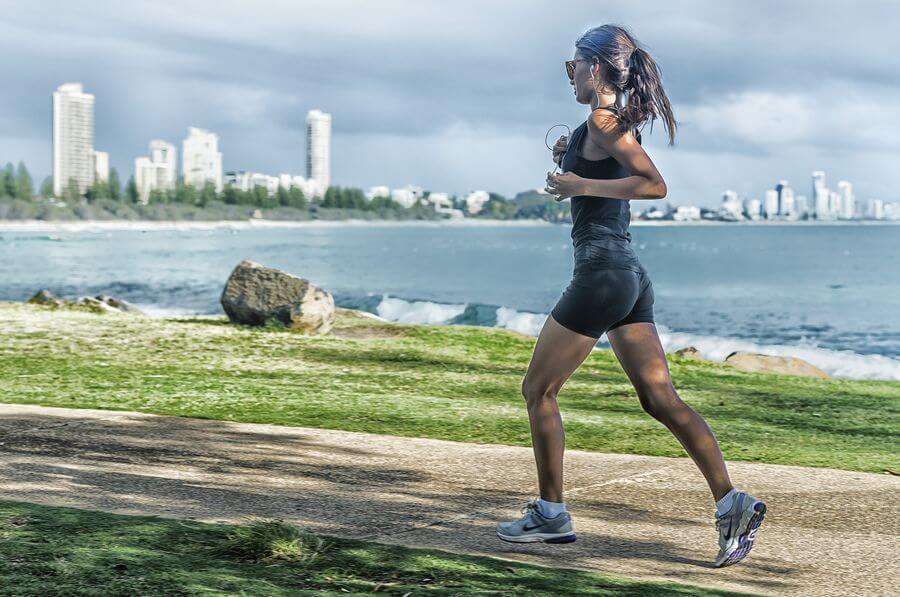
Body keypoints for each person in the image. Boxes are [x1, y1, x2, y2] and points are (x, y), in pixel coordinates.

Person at [495, 24, 766, 568]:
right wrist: (575, 158)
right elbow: (612, 164)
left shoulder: (603, 120)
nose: (566, 71)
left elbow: (654, 184)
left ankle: (551, 515)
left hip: (602, 275)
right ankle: (731, 501)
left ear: (595, 67)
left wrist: (582, 184)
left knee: (538, 390)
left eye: (571, 62)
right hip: (629, 279)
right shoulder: (605, 124)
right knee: (659, 399)